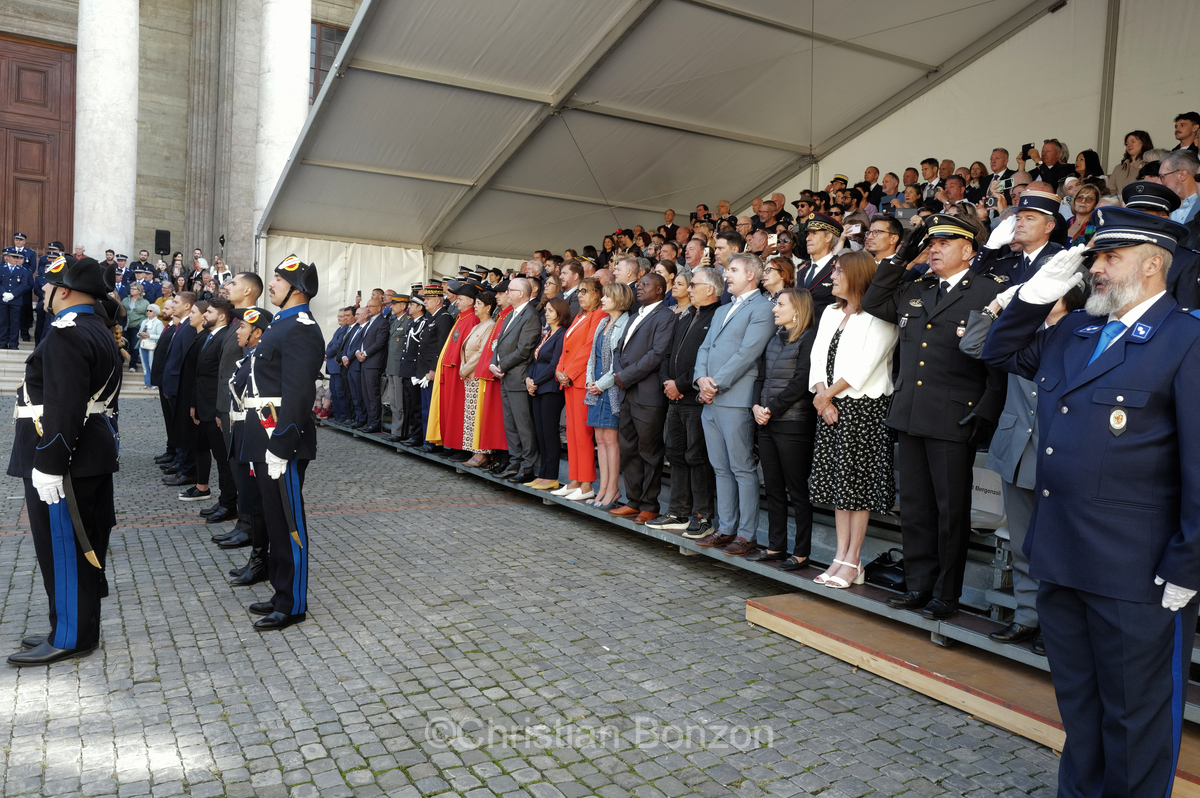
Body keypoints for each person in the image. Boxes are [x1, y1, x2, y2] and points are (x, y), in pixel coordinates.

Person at [981, 211, 1200, 798]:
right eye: (1094, 257)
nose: (1096, 268)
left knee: (1136, 719)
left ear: (1154, 263)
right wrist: (1036, 293)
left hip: (1137, 570)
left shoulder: (1188, 338)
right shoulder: (1073, 330)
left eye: (1111, 257)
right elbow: (994, 349)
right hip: (1061, 555)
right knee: (1080, 709)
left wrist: (1188, 564)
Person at [862, 213, 1006, 620]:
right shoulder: (917, 287)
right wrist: (902, 255)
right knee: (915, 508)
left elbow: (996, 359)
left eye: (944, 243)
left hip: (955, 417)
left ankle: (946, 594)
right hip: (909, 413)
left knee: (951, 512)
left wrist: (987, 409)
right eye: (931, 242)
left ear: (968, 249)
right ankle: (918, 585)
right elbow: (874, 301)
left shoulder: (987, 291)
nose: (935, 249)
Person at [7, 255, 122, 665]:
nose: (42, 292)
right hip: (86, 452)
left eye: (48, 287)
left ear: (66, 290)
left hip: (65, 460)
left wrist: (50, 463)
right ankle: (71, 625)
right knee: (79, 546)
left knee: (64, 548)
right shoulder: (95, 328)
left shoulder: (68, 333)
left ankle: (71, 637)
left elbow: (64, 405)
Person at [237, 255, 324, 631]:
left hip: (280, 441)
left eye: (278, 278)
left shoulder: (301, 327)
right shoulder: (281, 325)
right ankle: (280, 591)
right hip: (265, 437)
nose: (271, 284)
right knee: (274, 520)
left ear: (297, 289)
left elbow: (299, 394)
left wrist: (282, 445)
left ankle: (293, 604)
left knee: (289, 523)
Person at [807, 252, 899, 586]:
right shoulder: (831, 312)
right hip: (828, 406)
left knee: (857, 487)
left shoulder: (880, 315)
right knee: (839, 484)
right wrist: (822, 396)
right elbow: (818, 357)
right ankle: (838, 556)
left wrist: (827, 395)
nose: (832, 275)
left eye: (838, 271)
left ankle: (853, 559)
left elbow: (867, 363)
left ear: (857, 275)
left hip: (864, 408)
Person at [692, 254, 776, 554]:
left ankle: (746, 534)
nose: (727, 275)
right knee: (720, 468)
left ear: (751, 275)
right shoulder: (722, 310)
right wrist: (700, 379)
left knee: (741, 468)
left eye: (734, 270)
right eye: (727, 270)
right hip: (710, 398)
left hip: (735, 398)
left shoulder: (763, 308)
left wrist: (714, 384)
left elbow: (748, 353)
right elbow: (705, 347)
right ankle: (726, 528)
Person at [741, 287, 817, 569]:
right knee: (773, 487)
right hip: (767, 421)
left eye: (780, 304)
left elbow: (801, 382)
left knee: (797, 491)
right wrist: (756, 406)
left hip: (794, 424)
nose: (774, 308)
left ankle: (801, 552)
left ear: (797, 309)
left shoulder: (809, 338)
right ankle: (776, 548)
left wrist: (771, 408)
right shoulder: (774, 339)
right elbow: (760, 378)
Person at [649, 268, 720, 536]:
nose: (688, 290)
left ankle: (702, 516)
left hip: (695, 399)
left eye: (694, 285)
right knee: (676, 454)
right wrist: (668, 382)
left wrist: (679, 384)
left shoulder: (717, 316)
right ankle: (678, 512)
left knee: (696, 456)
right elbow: (667, 353)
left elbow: (710, 359)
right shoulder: (687, 315)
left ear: (710, 290)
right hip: (675, 398)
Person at [225, 306, 272, 586]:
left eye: (242, 327)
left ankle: (260, 560)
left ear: (257, 332)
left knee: (257, 500)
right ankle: (257, 558)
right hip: (243, 433)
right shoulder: (249, 358)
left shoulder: (261, 360)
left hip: (255, 436)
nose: (238, 332)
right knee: (250, 499)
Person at [553, 278, 606, 500]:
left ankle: (586, 484)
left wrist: (570, 372)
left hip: (581, 380)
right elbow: (566, 347)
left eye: (585, 291)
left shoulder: (599, 315)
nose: (581, 295)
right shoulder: (579, 315)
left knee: (583, 434)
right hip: (568, 381)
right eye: (580, 292)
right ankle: (574, 480)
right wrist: (559, 370)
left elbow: (589, 347)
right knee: (573, 433)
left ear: (597, 294)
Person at [187, 299, 237, 521]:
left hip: (216, 408)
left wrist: (220, 411)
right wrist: (195, 403)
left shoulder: (226, 337)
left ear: (222, 316)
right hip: (205, 405)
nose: (204, 315)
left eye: (209, 312)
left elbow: (223, 378)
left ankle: (229, 503)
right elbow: (201, 375)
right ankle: (224, 499)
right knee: (219, 458)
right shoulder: (211, 336)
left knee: (224, 459)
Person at [584, 282, 632, 509]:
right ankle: (603, 488)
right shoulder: (603, 322)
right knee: (600, 440)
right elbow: (592, 356)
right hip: (595, 389)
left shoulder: (625, 324)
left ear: (619, 299)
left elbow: (619, 361)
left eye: (607, 297)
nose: (602, 300)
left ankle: (612, 489)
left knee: (611, 441)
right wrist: (589, 381)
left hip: (611, 389)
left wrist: (600, 384)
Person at [490, 278, 541, 482]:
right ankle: (515, 462)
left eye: (510, 290)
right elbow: (499, 343)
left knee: (523, 425)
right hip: (506, 376)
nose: (506, 293)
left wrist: (501, 365)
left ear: (521, 293)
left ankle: (527, 467)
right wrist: (494, 363)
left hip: (518, 377)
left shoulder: (530, 316)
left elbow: (524, 350)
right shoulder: (512, 314)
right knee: (510, 424)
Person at [428, 281, 480, 458]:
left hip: (460, 372)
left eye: (461, 299)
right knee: (450, 409)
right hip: (451, 371)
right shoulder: (461, 317)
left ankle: (461, 448)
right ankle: (450, 444)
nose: (456, 302)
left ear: (471, 301)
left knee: (459, 410)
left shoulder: (471, 319)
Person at [524, 298, 570, 490]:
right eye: (547, 310)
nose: (546, 313)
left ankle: (551, 475)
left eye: (551, 310)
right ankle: (542, 474)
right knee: (541, 432)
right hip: (538, 386)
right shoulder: (547, 334)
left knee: (550, 432)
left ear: (560, 313)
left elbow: (554, 365)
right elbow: (535, 361)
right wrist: (528, 378)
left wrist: (535, 381)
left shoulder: (562, 334)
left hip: (550, 388)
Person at [459, 290, 497, 469]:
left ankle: (481, 453)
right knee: (471, 416)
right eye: (475, 303)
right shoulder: (478, 325)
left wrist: (465, 369)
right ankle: (475, 451)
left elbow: (482, 353)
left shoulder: (490, 325)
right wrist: (463, 368)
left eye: (479, 304)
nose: (475, 306)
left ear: (488, 307)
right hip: (469, 376)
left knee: (478, 416)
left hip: (477, 376)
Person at [798, 213, 842, 318]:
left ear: (828, 237)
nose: (808, 238)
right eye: (808, 234)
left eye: (814, 233)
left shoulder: (841, 268)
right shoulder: (802, 271)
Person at [382, 295, 411, 440]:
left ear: (404, 306)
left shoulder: (408, 322)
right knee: (392, 401)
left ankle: (399, 432)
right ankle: (394, 431)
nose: (391, 306)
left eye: (395, 304)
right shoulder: (395, 322)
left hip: (400, 367)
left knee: (399, 403)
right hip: (391, 367)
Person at [0, 247, 32, 349]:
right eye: (14, 257)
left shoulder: (23, 270)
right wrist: (3, 293)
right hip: (3, 299)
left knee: (15, 322)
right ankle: (2, 342)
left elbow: (23, 285)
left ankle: (13, 343)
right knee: (3, 321)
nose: (16, 259)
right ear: (8, 257)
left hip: (16, 300)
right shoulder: (1, 268)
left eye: (18, 257)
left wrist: (13, 294)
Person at [325, 307, 353, 423]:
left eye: (342, 316)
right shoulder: (339, 329)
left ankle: (343, 416)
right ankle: (337, 416)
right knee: (334, 392)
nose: (339, 319)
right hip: (332, 367)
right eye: (339, 316)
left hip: (337, 365)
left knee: (340, 392)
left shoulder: (346, 330)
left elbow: (337, 345)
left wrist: (326, 354)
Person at [1110, 130, 1153, 194]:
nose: (1129, 145)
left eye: (1133, 142)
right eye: (1127, 144)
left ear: (1144, 142)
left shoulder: (1149, 165)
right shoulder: (1118, 168)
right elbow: (1110, 191)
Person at [137, 304, 164, 387]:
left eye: (150, 311)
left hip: (152, 346)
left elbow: (161, 336)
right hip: (143, 345)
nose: (148, 312)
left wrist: (149, 336)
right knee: (145, 366)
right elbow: (138, 333)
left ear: (155, 312)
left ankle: (154, 384)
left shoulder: (158, 323)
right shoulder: (144, 321)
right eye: (147, 310)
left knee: (152, 365)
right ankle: (147, 383)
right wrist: (140, 334)